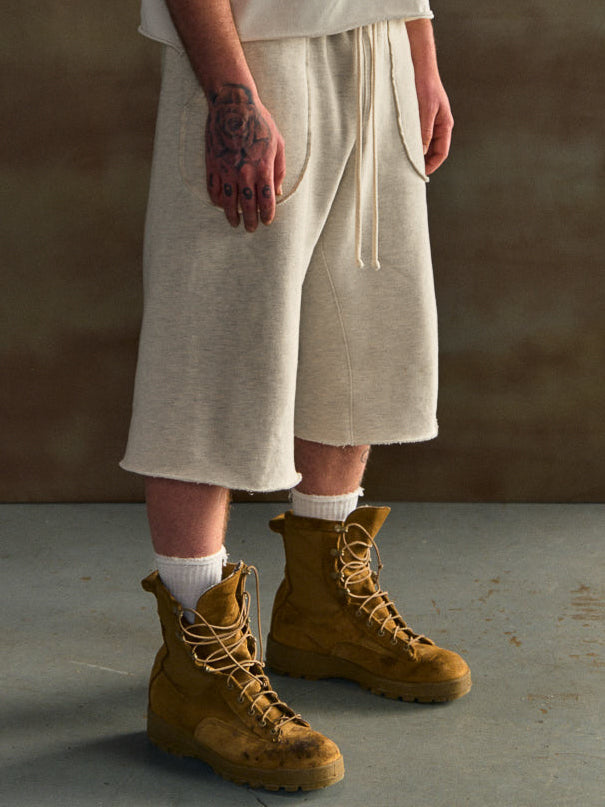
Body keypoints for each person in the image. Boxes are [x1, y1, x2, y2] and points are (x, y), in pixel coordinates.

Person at [120, 0, 470, 792]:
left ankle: (322, 604)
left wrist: (416, 43)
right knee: (211, 353)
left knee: (360, 333)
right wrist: (230, 93)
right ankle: (197, 661)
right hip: (253, 53)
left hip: (374, 43)